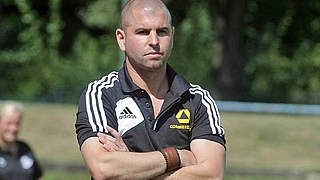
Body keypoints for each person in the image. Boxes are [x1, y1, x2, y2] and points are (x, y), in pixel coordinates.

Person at [75, 0, 226, 179]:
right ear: (121, 39)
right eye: (143, 32)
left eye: (162, 32)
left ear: (172, 36)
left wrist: (130, 164)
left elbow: (212, 175)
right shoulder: (100, 94)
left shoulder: (198, 100)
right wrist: (177, 157)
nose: (154, 41)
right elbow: (103, 169)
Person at [0, 102, 43, 180]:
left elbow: (38, 177)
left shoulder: (25, 149)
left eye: (17, 124)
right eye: (9, 123)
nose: (13, 129)